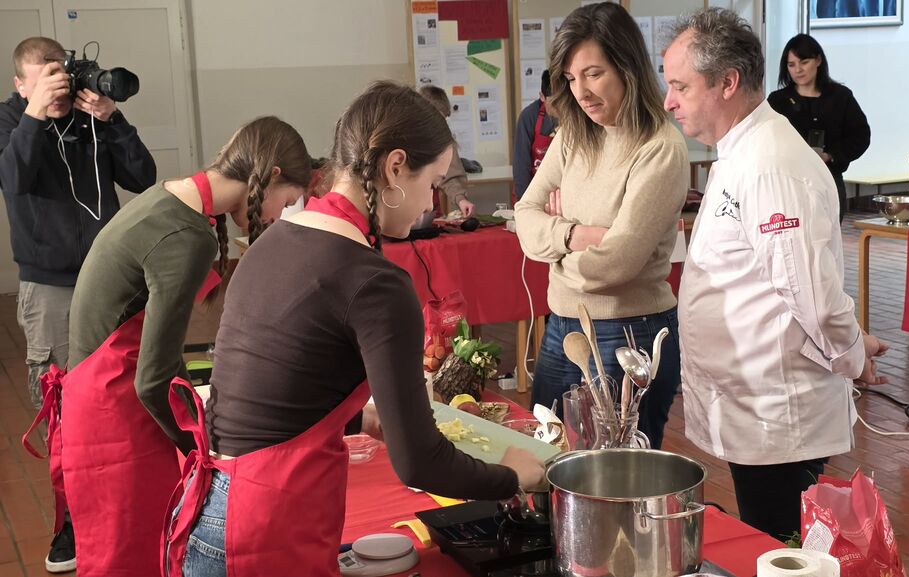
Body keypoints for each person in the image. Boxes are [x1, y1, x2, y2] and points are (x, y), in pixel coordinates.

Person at [163, 81, 544, 576]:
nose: (430, 203)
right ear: (395, 167)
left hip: (208, 509)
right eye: (432, 183)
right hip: (261, 528)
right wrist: (510, 475)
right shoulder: (376, 282)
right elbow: (420, 462)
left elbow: (274, 392)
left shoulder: (273, 241)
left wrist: (357, 420)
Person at [30, 116, 310, 577]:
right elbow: (153, 381)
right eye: (285, 201)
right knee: (135, 559)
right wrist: (201, 448)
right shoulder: (188, 236)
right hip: (115, 417)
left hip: (93, 402)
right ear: (272, 174)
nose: (278, 215)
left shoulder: (168, 197)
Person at [662, 8, 888, 540]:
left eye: (680, 86)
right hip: (754, 406)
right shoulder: (742, 151)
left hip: (778, 414)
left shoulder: (771, 164)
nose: (669, 101)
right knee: (766, 541)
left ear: (727, 83)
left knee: (780, 551)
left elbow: (813, 297)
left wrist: (853, 356)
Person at [0, 36, 156, 573]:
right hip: (50, 287)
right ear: (21, 84)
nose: (60, 90)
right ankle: (72, 521)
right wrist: (34, 116)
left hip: (112, 277)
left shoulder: (91, 116)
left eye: (61, 78)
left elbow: (143, 177)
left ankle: (136, 500)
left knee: (128, 391)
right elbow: (13, 179)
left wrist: (113, 119)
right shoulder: (11, 120)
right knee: (63, 405)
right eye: (45, 80)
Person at [514, 2, 687, 451]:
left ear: (627, 67)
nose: (582, 92)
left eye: (593, 74)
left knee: (616, 477)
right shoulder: (574, 135)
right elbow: (525, 215)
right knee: (543, 457)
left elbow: (616, 263)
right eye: (571, 79)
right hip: (561, 326)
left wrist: (555, 252)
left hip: (628, 332)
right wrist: (575, 235)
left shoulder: (660, 147)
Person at [768, 34, 870, 222]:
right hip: (788, 181)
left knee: (828, 235)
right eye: (791, 65)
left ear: (818, 60)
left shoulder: (840, 97)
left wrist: (831, 155)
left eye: (804, 62)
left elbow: (860, 135)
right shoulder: (778, 101)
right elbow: (765, 139)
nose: (798, 70)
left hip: (828, 179)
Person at [417, 85, 476, 217]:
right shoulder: (402, 135)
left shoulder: (443, 137)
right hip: (403, 211)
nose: (439, 125)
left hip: (430, 211)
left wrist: (461, 199)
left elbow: (450, 173)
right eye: (437, 119)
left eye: (443, 119)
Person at [513, 69, 557, 200]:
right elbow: (521, 165)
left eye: (563, 101)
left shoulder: (573, 115)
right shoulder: (529, 117)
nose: (560, 108)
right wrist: (525, 202)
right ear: (542, 97)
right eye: (554, 103)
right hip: (534, 192)